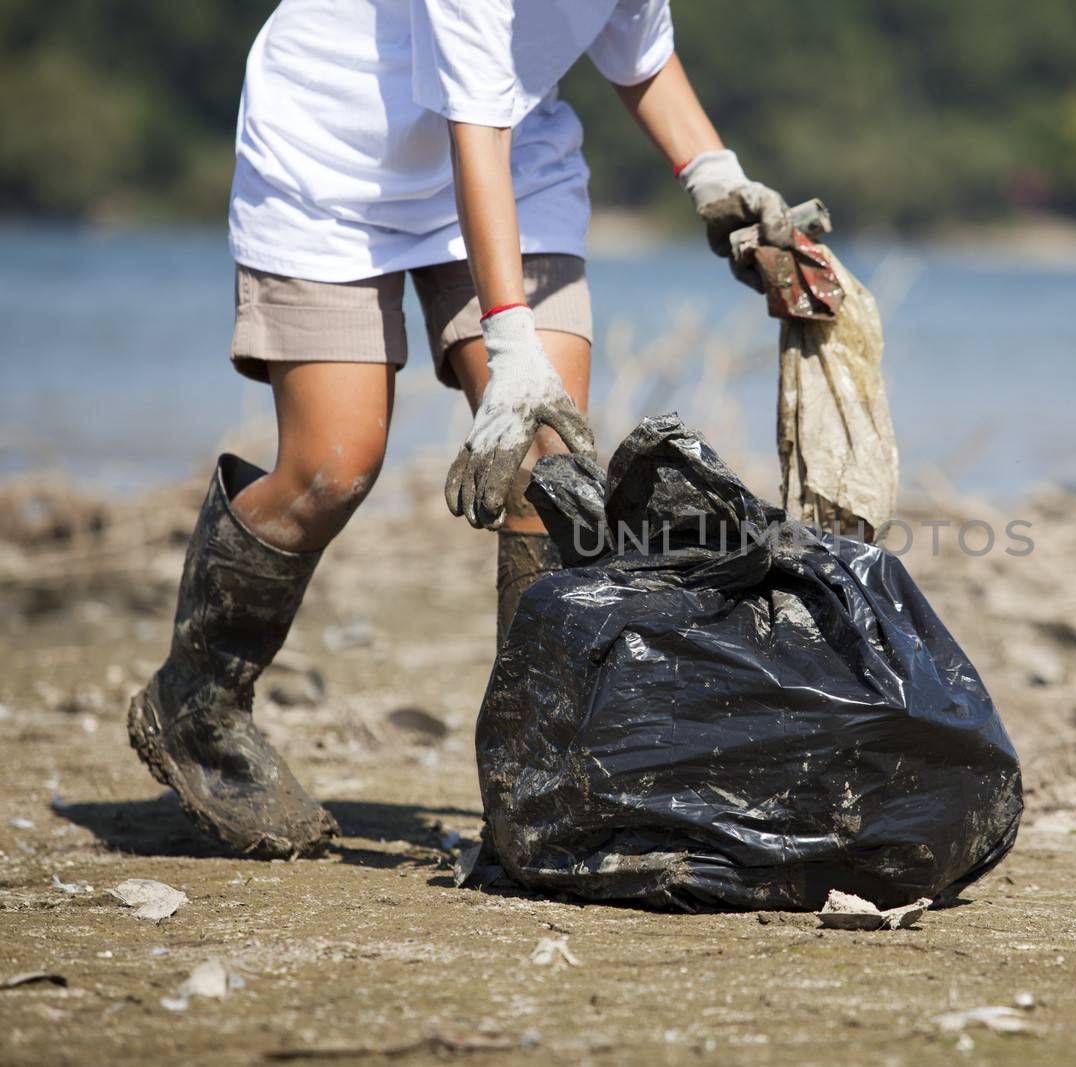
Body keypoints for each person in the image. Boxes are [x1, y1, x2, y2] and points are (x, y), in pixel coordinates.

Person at [126, 0, 794, 860]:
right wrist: (509, 339)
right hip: (333, 153)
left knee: (554, 464)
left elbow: (637, 48)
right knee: (332, 466)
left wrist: (714, 174)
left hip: (515, 152)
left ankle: (537, 786)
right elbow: (470, 122)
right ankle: (197, 705)